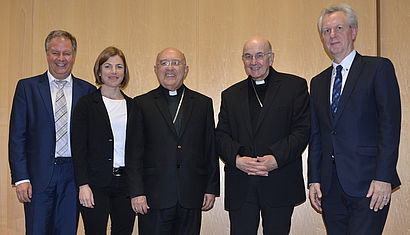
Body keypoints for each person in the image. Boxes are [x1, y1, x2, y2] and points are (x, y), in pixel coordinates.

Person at [308, 3, 401, 235]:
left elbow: (389, 127)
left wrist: (383, 177)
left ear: (354, 31)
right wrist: (314, 180)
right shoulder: (318, 83)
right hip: (330, 188)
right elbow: (317, 134)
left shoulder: (377, 68)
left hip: (370, 186)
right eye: (327, 31)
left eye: (339, 28)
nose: (332, 35)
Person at [216, 36, 310, 235]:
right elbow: (221, 136)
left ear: (271, 58)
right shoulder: (230, 95)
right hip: (242, 183)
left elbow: (302, 130)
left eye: (259, 56)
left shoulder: (294, 87)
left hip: (279, 181)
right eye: (248, 57)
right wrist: (237, 160)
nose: (253, 62)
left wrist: (277, 158)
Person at [8, 30, 96, 235]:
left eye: (66, 53)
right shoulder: (27, 88)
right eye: (55, 53)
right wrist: (21, 178)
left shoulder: (88, 91)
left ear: (74, 55)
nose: (61, 59)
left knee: (67, 230)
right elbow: (17, 136)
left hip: (73, 175)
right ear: (47, 54)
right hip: (38, 176)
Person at [126, 47, 220, 235]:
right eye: (164, 63)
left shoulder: (202, 103)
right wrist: (136, 192)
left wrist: (211, 188)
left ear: (186, 70)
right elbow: (133, 152)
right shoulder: (141, 103)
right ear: (155, 69)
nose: (170, 68)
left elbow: (210, 148)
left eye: (176, 63)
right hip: (153, 197)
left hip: (191, 195)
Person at [71, 46, 135, 235]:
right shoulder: (86, 104)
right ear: (99, 71)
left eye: (119, 67)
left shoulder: (134, 106)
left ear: (125, 72)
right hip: (94, 185)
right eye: (108, 66)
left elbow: (138, 149)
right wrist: (83, 185)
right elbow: (79, 148)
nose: (114, 72)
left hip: (126, 185)